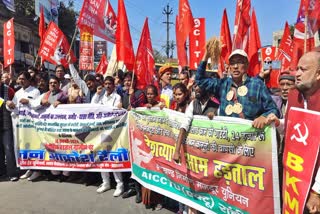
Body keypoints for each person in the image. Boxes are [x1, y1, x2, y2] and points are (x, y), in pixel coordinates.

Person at [279, 50, 320, 213]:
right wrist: (276, 123)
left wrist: (317, 192)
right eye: (297, 69)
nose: (297, 74)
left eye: (303, 70)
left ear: (318, 74)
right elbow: (291, 129)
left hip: (314, 187)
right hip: (293, 181)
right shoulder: (293, 96)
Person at [196, 48, 280, 128]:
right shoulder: (222, 84)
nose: (235, 66)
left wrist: (264, 117)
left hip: (250, 140)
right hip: (226, 138)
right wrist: (206, 56)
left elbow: (273, 109)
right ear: (229, 67)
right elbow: (200, 80)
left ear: (247, 65)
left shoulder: (258, 85)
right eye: (232, 63)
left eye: (240, 62)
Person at [91, 76, 124, 197]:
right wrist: (97, 94)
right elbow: (92, 106)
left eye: (110, 84)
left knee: (113, 158)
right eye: (106, 84)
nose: (108, 86)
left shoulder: (117, 97)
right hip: (101, 131)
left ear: (113, 85)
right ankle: (106, 183)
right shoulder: (102, 96)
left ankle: (119, 185)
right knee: (101, 157)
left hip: (113, 132)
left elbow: (115, 112)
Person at [6, 71, 41, 181]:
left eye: (23, 79)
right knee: (23, 146)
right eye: (19, 79)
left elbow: (38, 106)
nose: (21, 81)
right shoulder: (17, 93)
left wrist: (29, 102)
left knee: (33, 146)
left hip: (31, 125)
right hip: (20, 125)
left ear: (28, 80)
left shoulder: (35, 91)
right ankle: (29, 168)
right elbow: (14, 108)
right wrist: (9, 105)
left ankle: (37, 170)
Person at [0, 73, 19, 181]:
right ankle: (2, 172)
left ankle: (12, 173)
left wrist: (11, 103)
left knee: (8, 149)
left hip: (6, 123)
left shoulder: (8, 89)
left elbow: (15, 105)